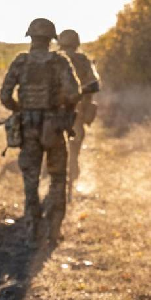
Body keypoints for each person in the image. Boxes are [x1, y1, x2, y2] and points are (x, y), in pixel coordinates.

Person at [0, 18, 81, 244]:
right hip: (54, 129)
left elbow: (5, 95)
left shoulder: (21, 62)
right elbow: (74, 93)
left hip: (28, 128)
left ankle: (32, 231)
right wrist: (64, 110)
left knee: (31, 180)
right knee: (58, 178)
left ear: (31, 37)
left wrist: (20, 110)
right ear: (51, 39)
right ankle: (53, 231)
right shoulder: (59, 62)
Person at [57, 29, 101, 202]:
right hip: (76, 111)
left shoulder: (53, 59)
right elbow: (95, 84)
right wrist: (80, 93)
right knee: (74, 148)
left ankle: (58, 182)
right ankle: (71, 175)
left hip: (56, 112)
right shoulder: (83, 60)